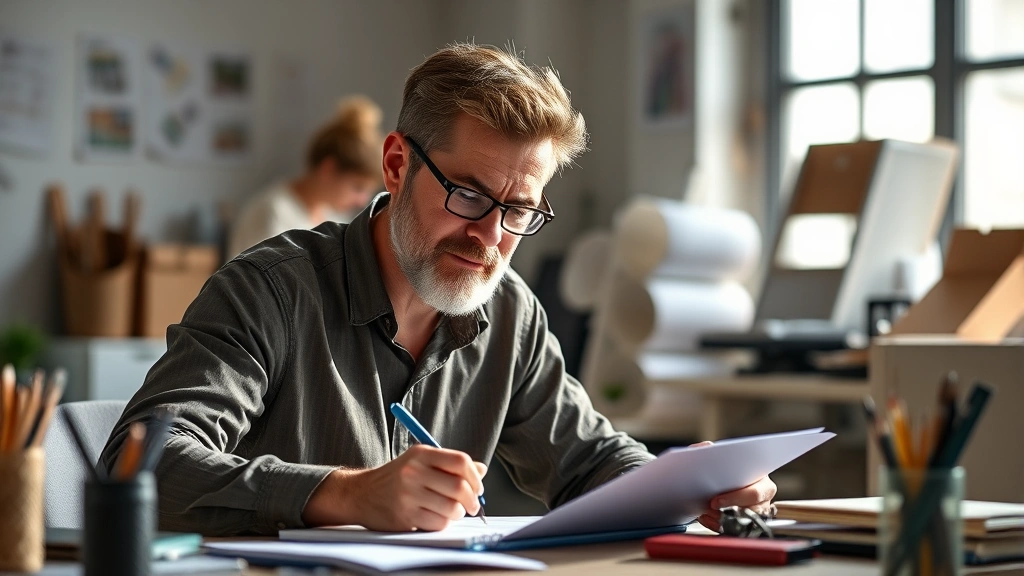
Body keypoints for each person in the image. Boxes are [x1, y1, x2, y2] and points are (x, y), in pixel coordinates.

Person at [101, 43, 775, 536]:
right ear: (396, 165)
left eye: (519, 211)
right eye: (467, 194)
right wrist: (346, 494)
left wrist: (692, 487)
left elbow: (586, 458)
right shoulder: (269, 291)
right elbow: (138, 463)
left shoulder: (510, 312)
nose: (489, 237)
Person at [227, 95, 383, 258]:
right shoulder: (273, 213)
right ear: (328, 169)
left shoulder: (335, 218)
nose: (363, 200)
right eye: (358, 187)